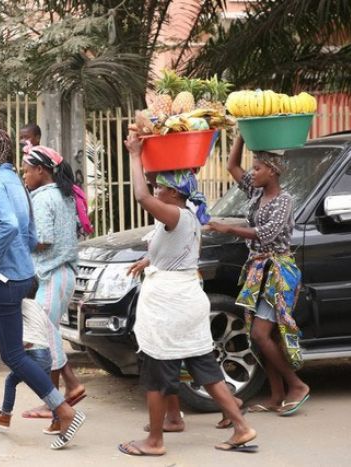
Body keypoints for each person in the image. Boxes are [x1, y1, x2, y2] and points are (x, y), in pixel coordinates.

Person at [117, 132, 256, 456]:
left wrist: (136, 155)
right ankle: (241, 427)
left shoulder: (175, 214)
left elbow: (140, 196)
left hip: (170, 305)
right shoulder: (189, 218)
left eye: (161, 186)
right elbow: (179, 253)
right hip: (188, 299)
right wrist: (149, 260)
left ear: (174, 193)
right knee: (205, 368)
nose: (156, 190)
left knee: (156, 371)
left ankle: (154, 441)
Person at [0, 118, 85, 450]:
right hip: (19, 275)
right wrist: (12, 260)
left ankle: (63, 409)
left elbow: (12, 227)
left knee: (13, 354)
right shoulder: (15, 180)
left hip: (5, 279)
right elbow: (27, 234)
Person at [207, 135, 309, 416]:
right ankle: (276, 395)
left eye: (257, 168)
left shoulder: (284, 201)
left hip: (278, 271)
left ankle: (297, 385)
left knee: (261, 335)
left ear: (272, 170)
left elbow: (265, 234)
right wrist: (242, 135)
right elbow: (231, 165)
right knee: (262, 337)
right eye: (252, 169)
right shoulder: (256, 192)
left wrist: (227, 229)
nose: (252, 173)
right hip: (258, 271)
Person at [18, 143, 87, 433]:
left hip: (52, 273)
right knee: (48, 333)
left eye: (26, 172)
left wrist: (17, 241)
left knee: (44, 336)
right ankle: (59, 398)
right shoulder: (63, 193)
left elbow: (43, 239)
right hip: (61, 276)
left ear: (40, 170)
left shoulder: (42, 197)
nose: (24, 177)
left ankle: (65, 393)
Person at [0, 278, 60, 434]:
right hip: (45, 353)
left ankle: (5, 415)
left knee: (13, 381)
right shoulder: (37, 306)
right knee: (47, 390)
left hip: (34, 352)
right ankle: (58, 421)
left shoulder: (21, 304)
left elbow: (28, 340)